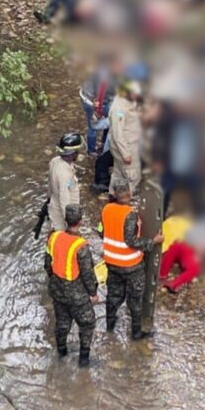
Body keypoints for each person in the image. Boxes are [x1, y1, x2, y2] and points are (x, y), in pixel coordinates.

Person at [100, 182, 163, 340]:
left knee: (114, 295)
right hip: (131, 265)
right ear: (129, 194)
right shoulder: (131, 215)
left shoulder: (106, 209)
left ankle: (110, 325)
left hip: (111, 261)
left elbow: (101, 231)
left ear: (114, 193)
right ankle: (136, 333)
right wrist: (153, 241)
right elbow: (131, 241)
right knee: (135, 299)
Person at [44, 204, 97, 367]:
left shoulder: (54, 237)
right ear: (80, 222)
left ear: (66, 220)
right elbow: (87, 274)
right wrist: (93, 293)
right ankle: (83, 360)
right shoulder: (81, 246)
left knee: (62, 323)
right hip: (77, 297)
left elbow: (47, 265)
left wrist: (57, 282)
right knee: (87, 324)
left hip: (57, 292)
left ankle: (61, 353)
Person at [108, 81, 143, 196]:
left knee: (118, 172)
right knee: (131, 176)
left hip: (130, 143)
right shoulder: (118, 109)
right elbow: (118, 133)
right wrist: (125, 153)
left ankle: (113, 195)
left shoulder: (129, 100)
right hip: (126, 147)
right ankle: (128, 199)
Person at [48, 133, 83, 231]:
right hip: (62, 217)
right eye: (77, 151)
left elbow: (49, 185)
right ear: (72, 154)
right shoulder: (64, 175)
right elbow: (65, 201)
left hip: (54, 206)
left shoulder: (55, 161)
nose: (78, 153)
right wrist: (71, 224)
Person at [158, 212, 200, 293]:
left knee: (194, 268)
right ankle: (166, 277)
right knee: (177, 247)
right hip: (186, 248)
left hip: (187, 250)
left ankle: (165, 277)